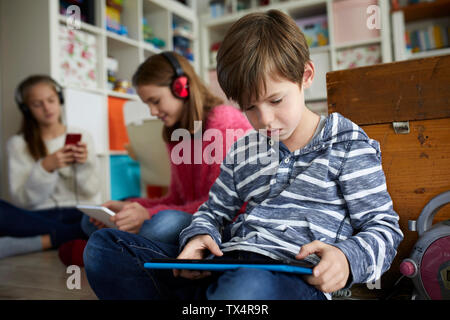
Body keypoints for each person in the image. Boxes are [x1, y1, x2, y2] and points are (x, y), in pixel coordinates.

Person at [84, 10, 403, 300]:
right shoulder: (244, 151)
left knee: (245, 287)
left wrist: (346, 259)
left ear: (306, 76)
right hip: (228, 262)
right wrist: (197, 239)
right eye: (250, 107)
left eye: (276, 100)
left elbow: (384, 228)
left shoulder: (346, 143)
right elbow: (212, 212)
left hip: (291, 277)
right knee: (104, 248)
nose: (264, 120)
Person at [92, 51, 252, 244]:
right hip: (194, 215)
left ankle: (115, 248)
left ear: (181, 87)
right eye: (147, 104)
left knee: (161, 225)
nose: (152, 112)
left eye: (156, 101)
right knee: (97, 219)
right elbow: (177, 199)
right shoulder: (176, 134)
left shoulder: (223, 120)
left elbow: (220, 206)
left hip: (225, 220)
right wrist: (130, 206)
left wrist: (148, 214)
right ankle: (124, 248)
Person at [0, 75, 100, 259]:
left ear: (59, 100)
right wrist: (45, 168)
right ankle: (72, 235)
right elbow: (24, 202)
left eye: (51, 100)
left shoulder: (82, 135)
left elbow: (91, 190)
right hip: (39, 218)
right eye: (37, 104)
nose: (47, 108)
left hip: (78, 213)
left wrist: (85, 165)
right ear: (26, 109)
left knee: (125, 205)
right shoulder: (17, 144)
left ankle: (48, 240)